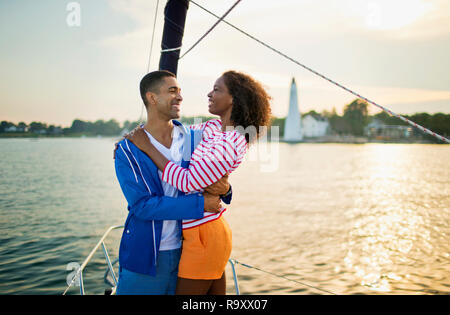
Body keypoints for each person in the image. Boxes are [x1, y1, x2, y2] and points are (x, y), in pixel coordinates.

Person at [126, 70, 272, 295]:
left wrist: (147, 146)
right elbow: (179, 132)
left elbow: (187, 182)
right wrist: (131, 141)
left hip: (205, 233)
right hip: (198, 232)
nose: (209, 94)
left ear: (234, 99)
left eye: (217, 89)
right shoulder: (214, 128)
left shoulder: (231, 142)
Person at [113, 70, 231, 295]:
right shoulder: (128, 150)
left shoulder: (195, 139)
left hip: (189, 251)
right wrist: (200, 205)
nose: (179, 97)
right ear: (152, 98)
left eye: (180, 91)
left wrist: (225, 189)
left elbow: (217, 180)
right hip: (147, 255)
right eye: (172, 91)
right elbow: (142, 206)